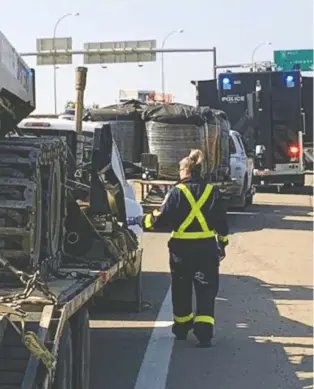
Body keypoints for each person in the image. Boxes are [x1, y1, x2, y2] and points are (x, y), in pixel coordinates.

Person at [143, 149, 229, 348]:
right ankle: (205, 335)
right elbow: (222, 222)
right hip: (207, 249)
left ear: (185, 170)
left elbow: (161, 218)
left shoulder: (176, 192)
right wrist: (222, 244)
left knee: (181, 289)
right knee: (206, 290)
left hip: (181, 250)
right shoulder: (212, 191)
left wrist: (145, 221)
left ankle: (182, 328)